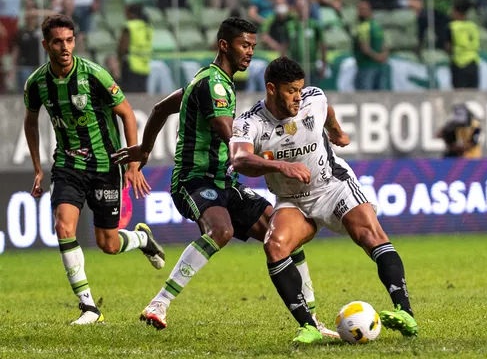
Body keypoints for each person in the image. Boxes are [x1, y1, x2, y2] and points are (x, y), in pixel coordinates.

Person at [113, 18, 337, 337]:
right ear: (224, 45)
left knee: (284, 233)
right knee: (221, 230)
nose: (250, 52)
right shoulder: (214, 85)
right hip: (194, 180)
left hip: (223, 182)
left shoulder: (211, 80)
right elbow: (228, 135)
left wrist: (144, 151)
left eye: (253, 47)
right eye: (244, 46)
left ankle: (312, 320)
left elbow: (161, 108)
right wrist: (274, 154)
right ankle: (159, 303)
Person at [229, 57, 418, 344]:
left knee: (369, 233)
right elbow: (240, 158)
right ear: (271, 88)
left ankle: (405, 312)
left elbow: (325, 110)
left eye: (300, 89)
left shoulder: (312, 99)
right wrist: (281, 167)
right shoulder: (249, 122)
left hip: (332, 185)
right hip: (292, 198)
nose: (298, 96)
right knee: (274, 245)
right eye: (291, 90)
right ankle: (309, 326)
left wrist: (336, 130)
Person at [22, 14, 163, 325]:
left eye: (69, 40)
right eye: (57, 42)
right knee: (64, 227)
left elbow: (127, 114)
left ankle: (141, 239)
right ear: (46, 45)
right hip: (67, 165)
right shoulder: (37, 84)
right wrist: (37, 169)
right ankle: (89, 307)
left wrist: (132, 163)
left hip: (104, 165)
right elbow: (30, 123)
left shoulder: (94, 75)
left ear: (76, 41)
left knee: (108, 244)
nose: (64, 47)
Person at [444, 0, 480, 89]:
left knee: (459, 96)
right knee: (472, 96)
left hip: (459, 64)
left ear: (456, 11)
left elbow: (448, 47)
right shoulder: (473, 26)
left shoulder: (452, 27)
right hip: (473, 63)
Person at [118, 3, 153, 93]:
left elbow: (122, 48)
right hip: (145, 66)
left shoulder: (129, 26)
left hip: (131, 66)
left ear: (132, 14)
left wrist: (119, 61)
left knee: (130, 97)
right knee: (141, 96)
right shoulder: (147, 26)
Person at [353, 0, 388, 91]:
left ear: (370, 10)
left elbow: (365, 47)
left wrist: (381, 56)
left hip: (368, 67)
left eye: (363, 9)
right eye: (359, 9)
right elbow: (365, 47)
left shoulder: (365, 26)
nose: (360, 11)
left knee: (367, 96)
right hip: (371, 65)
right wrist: (381, 56)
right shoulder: (376, 25)